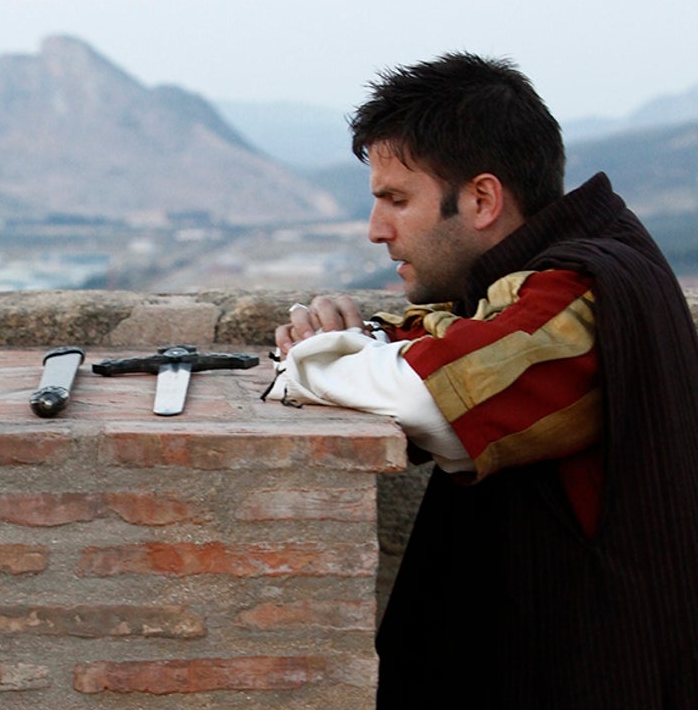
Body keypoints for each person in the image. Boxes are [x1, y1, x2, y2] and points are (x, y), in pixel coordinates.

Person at [264, 52, 698, 708]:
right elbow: (453, 336)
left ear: (483, 198)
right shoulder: (530, 281)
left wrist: (316, 359)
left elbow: (434, 398)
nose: (377, 230)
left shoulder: (582, 293)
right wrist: (367, 340)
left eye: (397, 200)